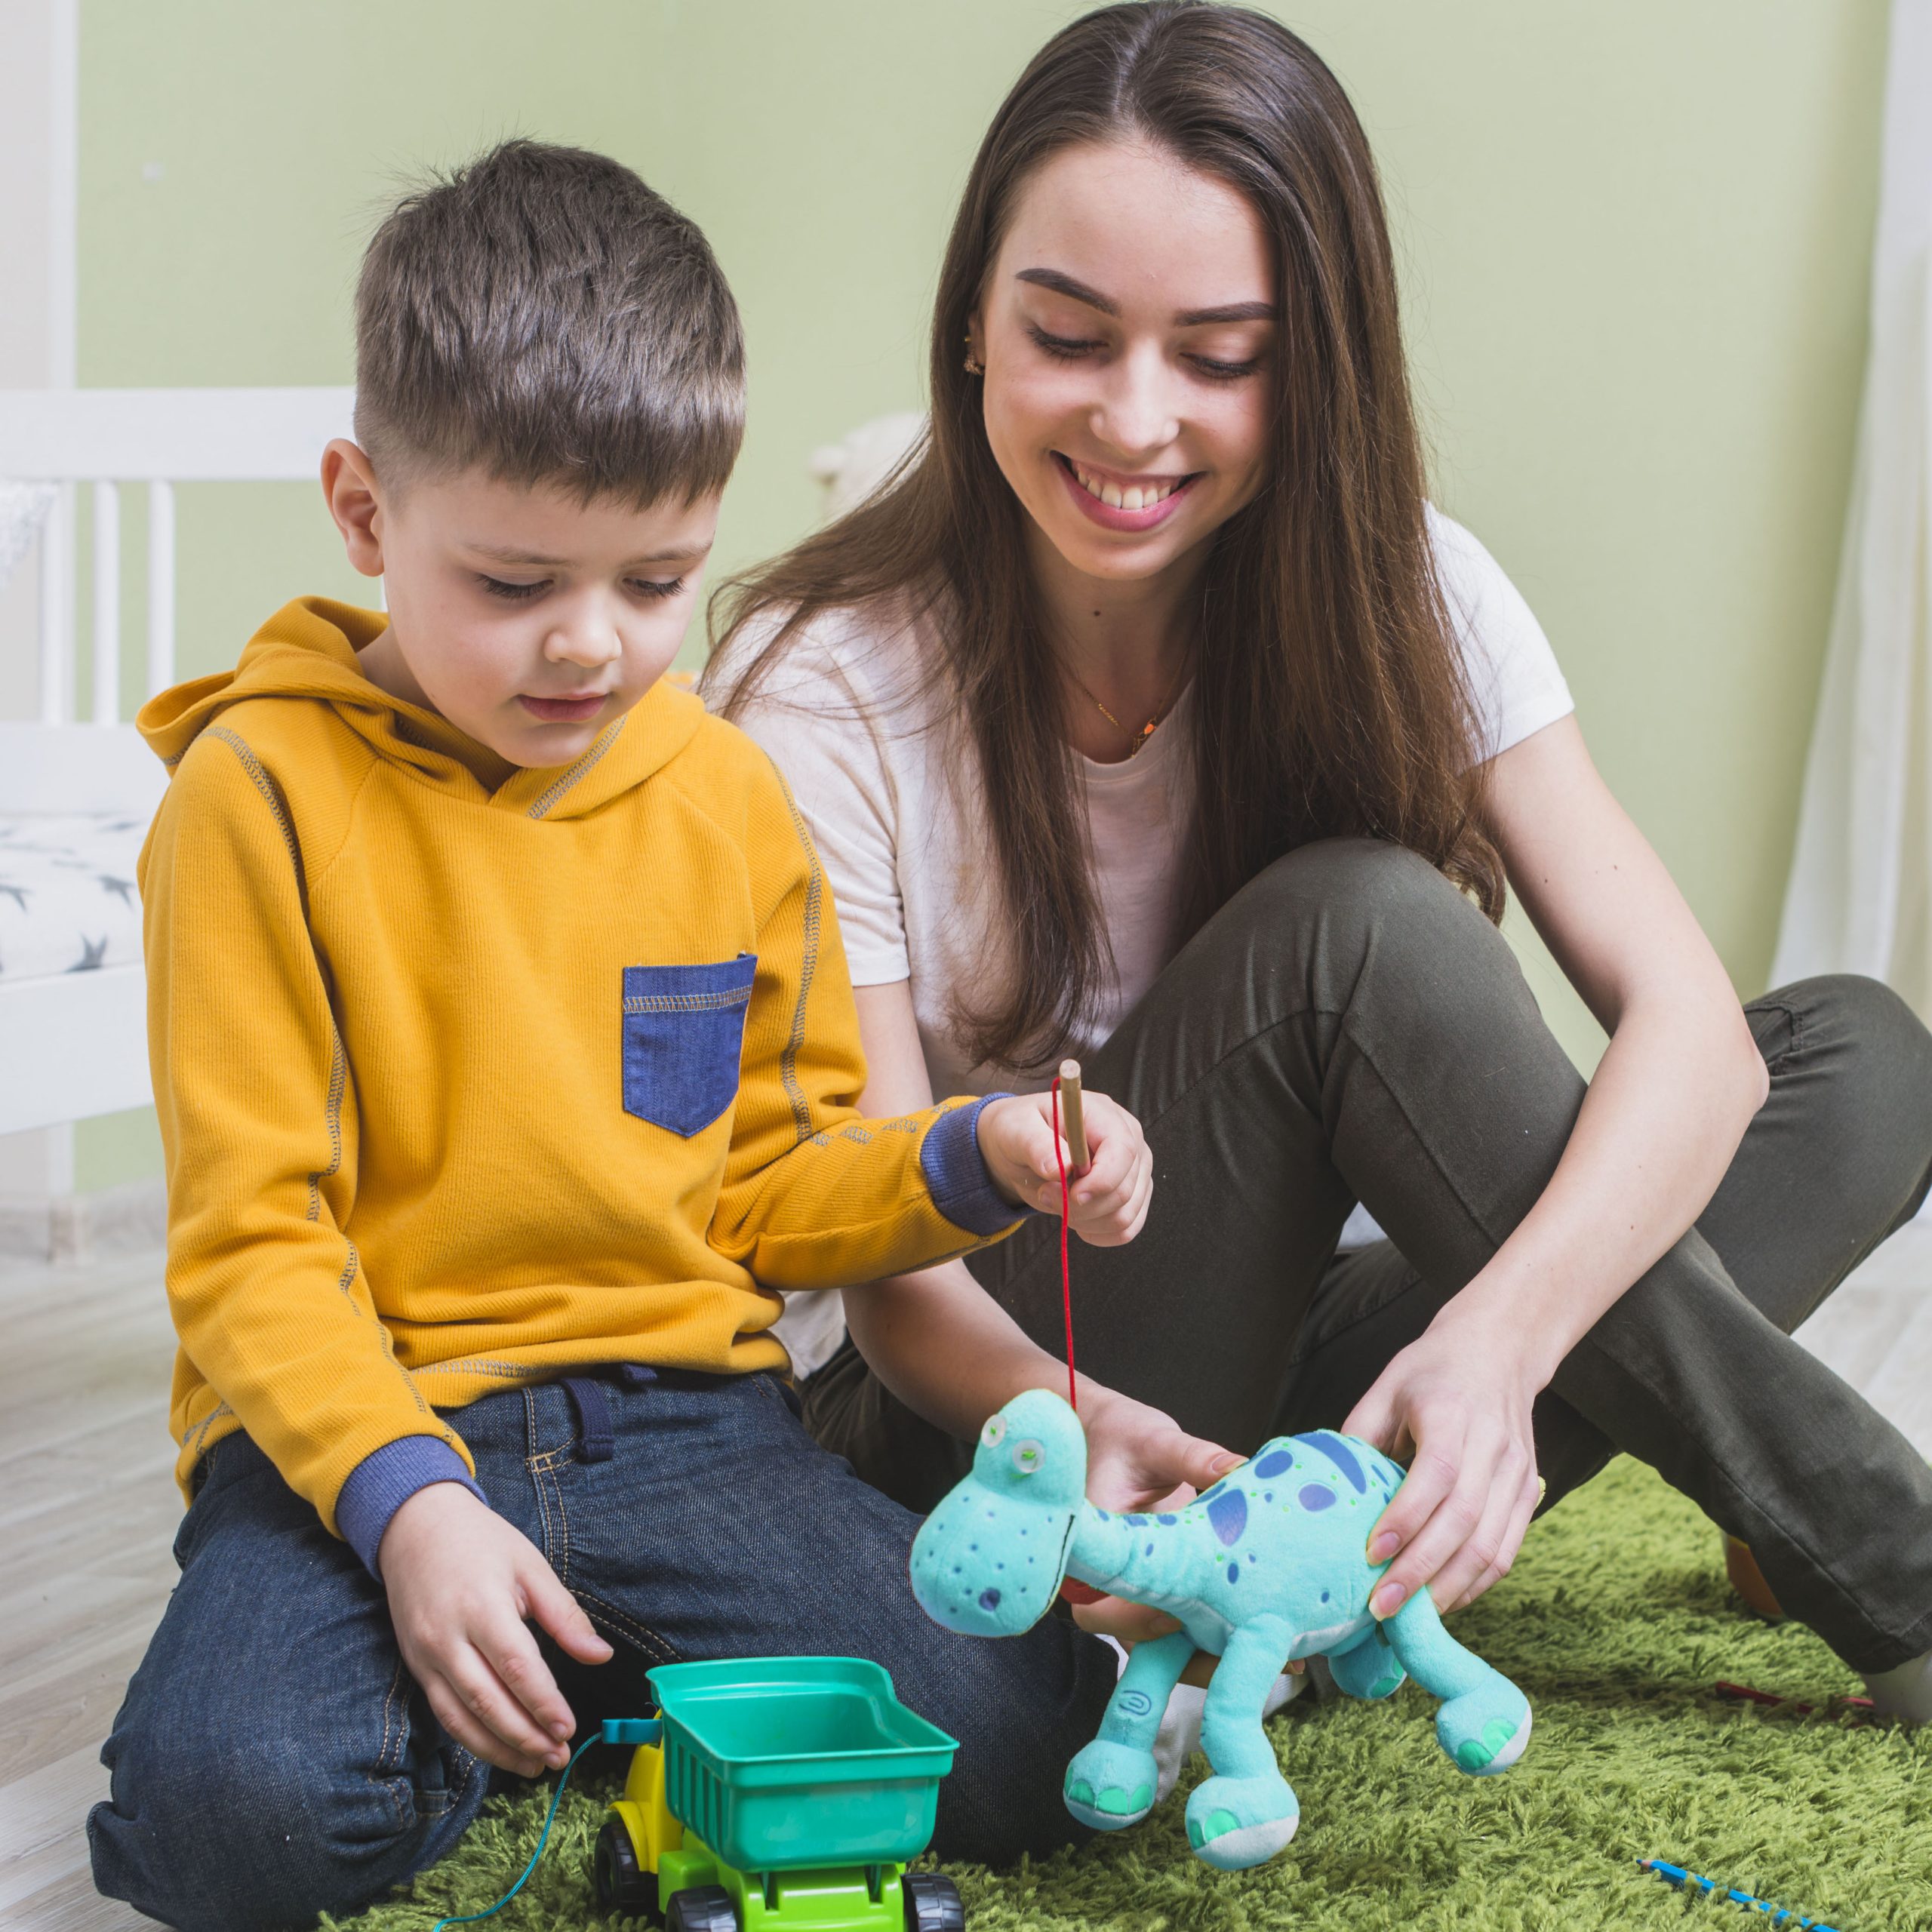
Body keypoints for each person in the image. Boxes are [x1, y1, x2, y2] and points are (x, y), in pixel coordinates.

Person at [711, 0, 1932, 1730]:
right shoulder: (817, 681)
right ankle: (1883, 1554)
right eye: (1069, 334)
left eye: (1219, 357)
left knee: (1856, 1064)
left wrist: (1498, 1340)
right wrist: (1080, 1425)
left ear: (1315, 364)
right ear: (974, 326)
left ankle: (1306, 1567)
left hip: (1301, 1384)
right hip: (1010, 1421)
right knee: (1355, 928)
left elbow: (1692, 1031)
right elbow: (885, 1269)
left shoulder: (1406, 588)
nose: (1135, 422)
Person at [88, 140, 1167, 1932]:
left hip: (689, 1425)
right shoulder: (247, 794)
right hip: (361, 1439)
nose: (590, 646)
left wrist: (966, 1156)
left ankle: (583, 1685)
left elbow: (765, 1184)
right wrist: (412, 1512)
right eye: (514, 584)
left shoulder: (726, 797)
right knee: (229, 1821)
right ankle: (555, 1679)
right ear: (364, 513)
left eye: (658, 581)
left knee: (1020, 1745)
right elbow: (249, 1243)